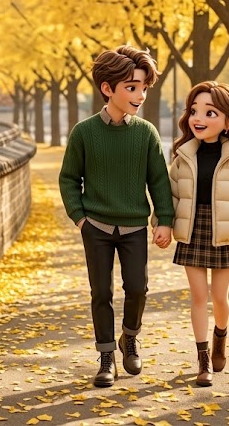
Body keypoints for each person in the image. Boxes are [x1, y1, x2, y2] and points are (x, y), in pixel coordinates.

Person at [59, 45, 175, 388]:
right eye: (131, 87)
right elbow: (68, 178)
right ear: (107, 89)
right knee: (101, 292)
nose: (139, 95)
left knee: (137, 288)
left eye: (143, 88)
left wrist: (163, 219)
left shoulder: (146, 134)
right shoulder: (84, 132)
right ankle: (106, 357)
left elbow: (159, 181)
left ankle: (130, 337)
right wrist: (80, 218)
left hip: (134, 227)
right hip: (95, 226)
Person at [168, 81, 229, 387]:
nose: (199, 118)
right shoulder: (183, 157)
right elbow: (168, 196)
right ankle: (203, 360)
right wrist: (164, 222)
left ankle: (220, 336)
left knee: (219, 298)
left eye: (210, 112)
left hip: (225, 232)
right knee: (198, 297)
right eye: (194, 111)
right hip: (192, 230)